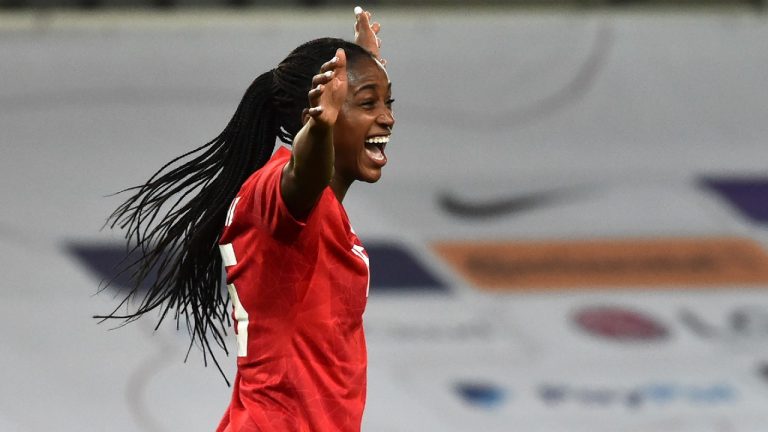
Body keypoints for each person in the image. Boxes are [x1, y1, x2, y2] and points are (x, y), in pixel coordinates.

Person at [100, 8, 393, 432]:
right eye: (369, 104)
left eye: (387, 102)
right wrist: (320, 127)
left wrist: (365, 69)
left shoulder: (320, 206)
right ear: (311, 117)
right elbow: (306, 171)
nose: (387, 117)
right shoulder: (277, 189)